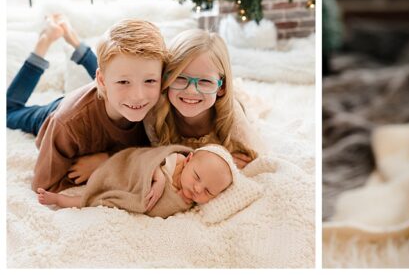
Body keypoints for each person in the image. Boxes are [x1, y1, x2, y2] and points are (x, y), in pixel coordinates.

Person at [6, 17, 167, 192]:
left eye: (150, 80)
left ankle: (73, 39)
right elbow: (43, 186)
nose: (138, 96)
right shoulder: (67, 124)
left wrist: (108, 159)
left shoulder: (160, 105)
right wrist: (104, 171)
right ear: (102, 82)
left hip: (104, 94)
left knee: (120, 70)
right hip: (55, 111)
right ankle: (45, 41)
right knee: (8, 111)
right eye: (124, 83)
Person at [146, 29, 262, 169]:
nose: (191, 90)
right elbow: (156, 160)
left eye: (205, 82)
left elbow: (255, 157)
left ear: (222, 87)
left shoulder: (232, 116)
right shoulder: (155, 113)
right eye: (180, 78)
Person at [36, 144, 234, 218]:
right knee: (111, 175)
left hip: (131, 194)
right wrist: (158, 180)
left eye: (208, 192)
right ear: (189, 159)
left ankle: (62, 201)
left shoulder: (189, 200)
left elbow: (156, 208)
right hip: (129, 173)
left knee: (101, 201)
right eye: (197, 177)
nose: (197, 189)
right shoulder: (176, 159)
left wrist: (179, 201)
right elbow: (148, 159)